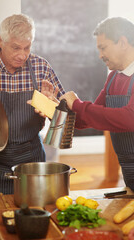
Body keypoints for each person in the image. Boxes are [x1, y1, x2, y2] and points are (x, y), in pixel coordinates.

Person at [0, 14, 65, 196]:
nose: (22, 55)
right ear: (0, 41)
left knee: (33, 218)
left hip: (31, 162)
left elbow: (63, 123)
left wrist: (52, 109)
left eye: (27, 47)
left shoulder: (41, 67)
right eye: (16, 48)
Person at [41, 17, 134, 190]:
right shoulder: (113, 77)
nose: (100, 55)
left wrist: (77, 104)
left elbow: (130, 118)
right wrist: (57, 108)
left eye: (103, 47)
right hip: (129, 167)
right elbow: (86, 119)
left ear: (122, 42)